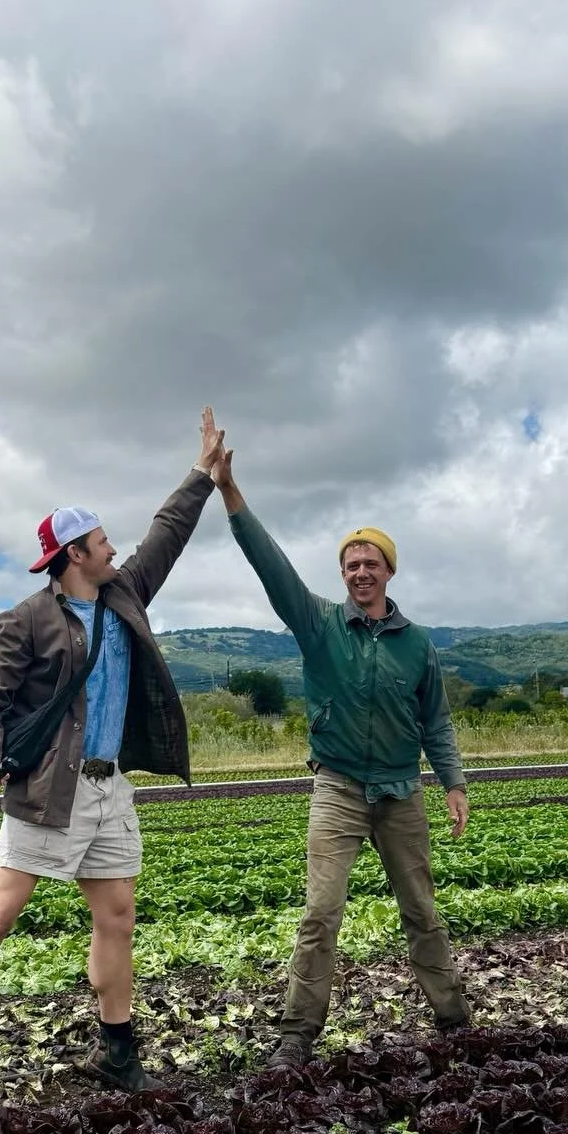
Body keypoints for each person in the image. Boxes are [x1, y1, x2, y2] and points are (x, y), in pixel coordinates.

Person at [0, 409, 226, 1122]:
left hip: (110, 788)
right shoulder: (28, 619)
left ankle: (117, 1051)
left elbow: (167, 532)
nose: (114, 550)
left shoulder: (123, 594)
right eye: (103, 543)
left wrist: (203, 473)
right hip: (49, 789)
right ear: (75, 554)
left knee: (117, 914)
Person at [209, 447, 470, 1065]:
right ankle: (296, 1035)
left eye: (371, 563)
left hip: (402, 791)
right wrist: (230, 492)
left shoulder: (418, 644)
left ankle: (455, 1020)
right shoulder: (319, 625)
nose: (360, 572)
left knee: (422, 911)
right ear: (343, 574)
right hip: (339, 788)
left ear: (389, 572)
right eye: (351, 564)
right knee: (321, 914)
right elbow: (271, 566)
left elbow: (435, 719)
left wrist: (453, 782)